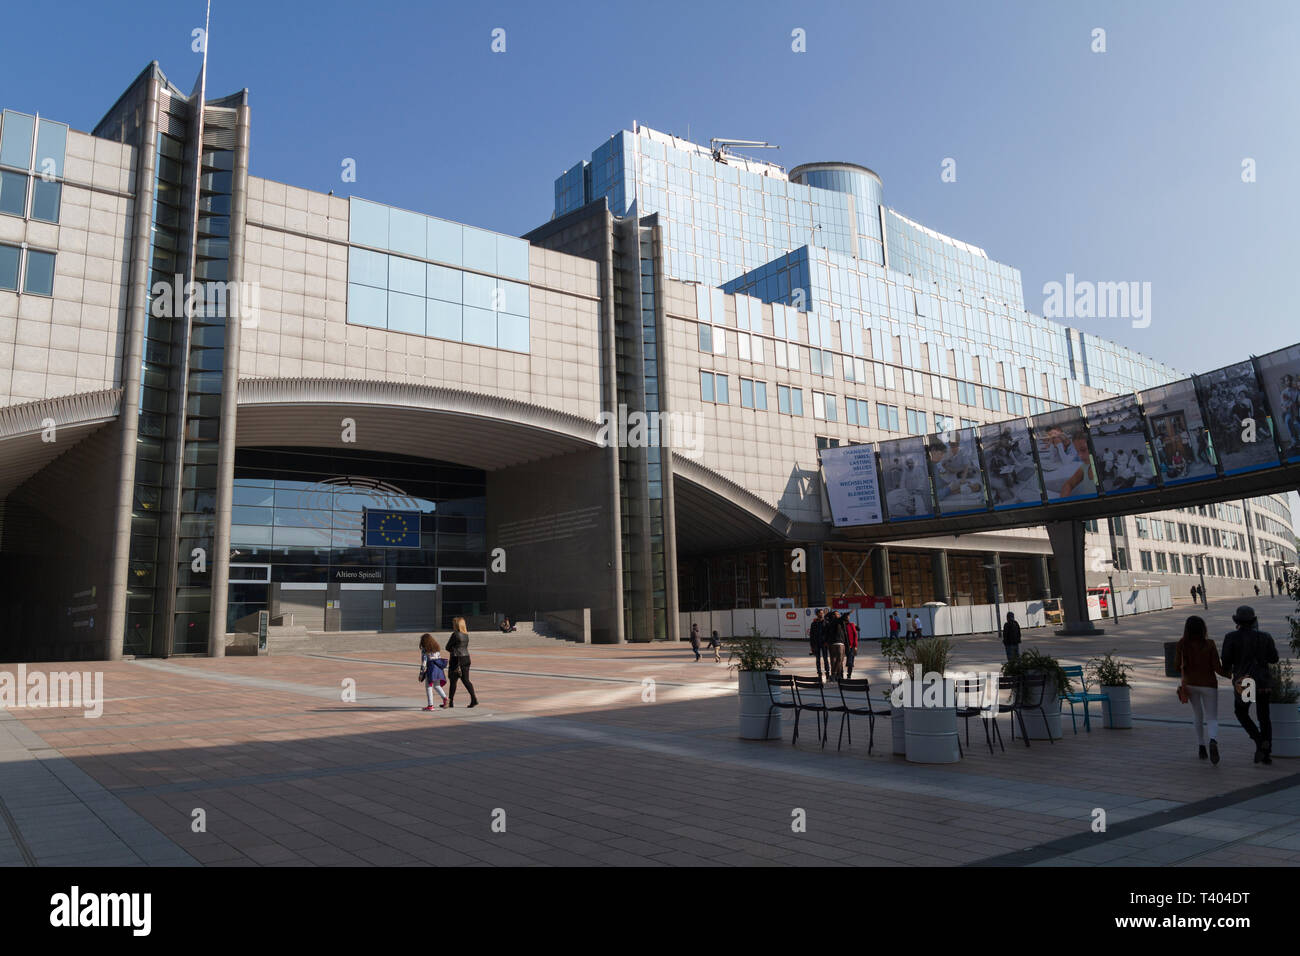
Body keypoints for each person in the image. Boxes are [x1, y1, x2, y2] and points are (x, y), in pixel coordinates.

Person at [1219, 605, 1279, 764]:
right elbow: (1274, 658)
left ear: (1237, 621)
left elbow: (1226, 661)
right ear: (1253, 621)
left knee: (1241, 712)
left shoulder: (1231, 637)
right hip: (1263, 680)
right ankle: (1266, 752)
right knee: (1264, 716)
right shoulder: (1265, 636)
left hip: (1245, 682)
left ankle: (1258, 739)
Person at [1175, 615, 1222, 763]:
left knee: (1197, 714)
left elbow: (1176, 665)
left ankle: (1201, 745)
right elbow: (1217, 667)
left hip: (1190, 684)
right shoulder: (1209, 644)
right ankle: (1213, 740)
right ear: (1203, 628)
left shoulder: (1182, 644)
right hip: (1208, 684)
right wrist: (1231, 674)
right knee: (1212, 717)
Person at [445, 616, 479, 708]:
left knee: (453, 680)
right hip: (466, 658)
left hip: (457, 658)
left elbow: (447, 647)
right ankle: (474, 699)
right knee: (466, 680)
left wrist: (453, 649)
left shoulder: (455, 634)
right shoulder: (466, 635)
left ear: (456, 625)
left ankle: (450, 702)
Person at [418, 633, 449, 711]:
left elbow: (424, 663)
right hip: (438, 668)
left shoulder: (425, 650)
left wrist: (421, 674)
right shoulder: (436, 647)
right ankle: (445, 698)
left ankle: (430, 705)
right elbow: (438, 657)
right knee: (437, 685)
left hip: (431, 669)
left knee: (428, 686)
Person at [826, 611, 846, 681]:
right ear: (833, 616)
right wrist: (847, 613)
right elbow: (842, 618)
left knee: (840, 660)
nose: (838, 615)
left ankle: (838, 675)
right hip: (836, 643)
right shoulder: (834, 621)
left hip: (841, 642)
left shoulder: (839, 622)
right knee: (838, 659)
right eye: (837, 614)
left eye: (838, 614)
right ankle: (834, 675)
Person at [809, 610, 826, 681]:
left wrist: (826, 641)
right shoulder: (813, 623)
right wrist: (812, 646)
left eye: (822, 613)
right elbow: (811, 635)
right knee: (817, 660)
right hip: (816, 644)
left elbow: (828, 633)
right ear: (817, 614)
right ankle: (819, 673)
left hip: (824, 643)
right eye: (820, 613)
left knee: (825, 659)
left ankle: (827, 673)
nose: (822, 614)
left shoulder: (826, 622)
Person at [844, 614, 859, 679]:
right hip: (845, 645)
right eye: (846, 617)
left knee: (850, 659)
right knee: (850, 658)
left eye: (848, 617)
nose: (847, 618)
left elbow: (855, 635)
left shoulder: (851, 624)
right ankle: (848, 674)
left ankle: (849, 674)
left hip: (852, 645)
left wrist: (855, 646)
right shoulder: (842, 626)